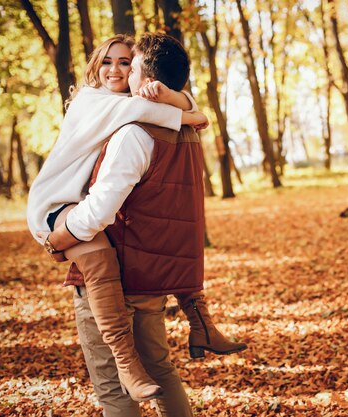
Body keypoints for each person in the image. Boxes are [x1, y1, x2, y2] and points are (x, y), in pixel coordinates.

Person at [34, 33, 245, 416]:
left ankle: (198, 324)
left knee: (115, 388)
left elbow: (98, 211)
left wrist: (59, 239)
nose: (117, 70)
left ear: (145, 75)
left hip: (115, 267)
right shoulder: (172, 129)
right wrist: (186, 107)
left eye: (126, 62)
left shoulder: (133, 129)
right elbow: (192, 114)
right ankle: (201, 321)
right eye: (108, 62)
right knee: (161, 370)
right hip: (151, 273)